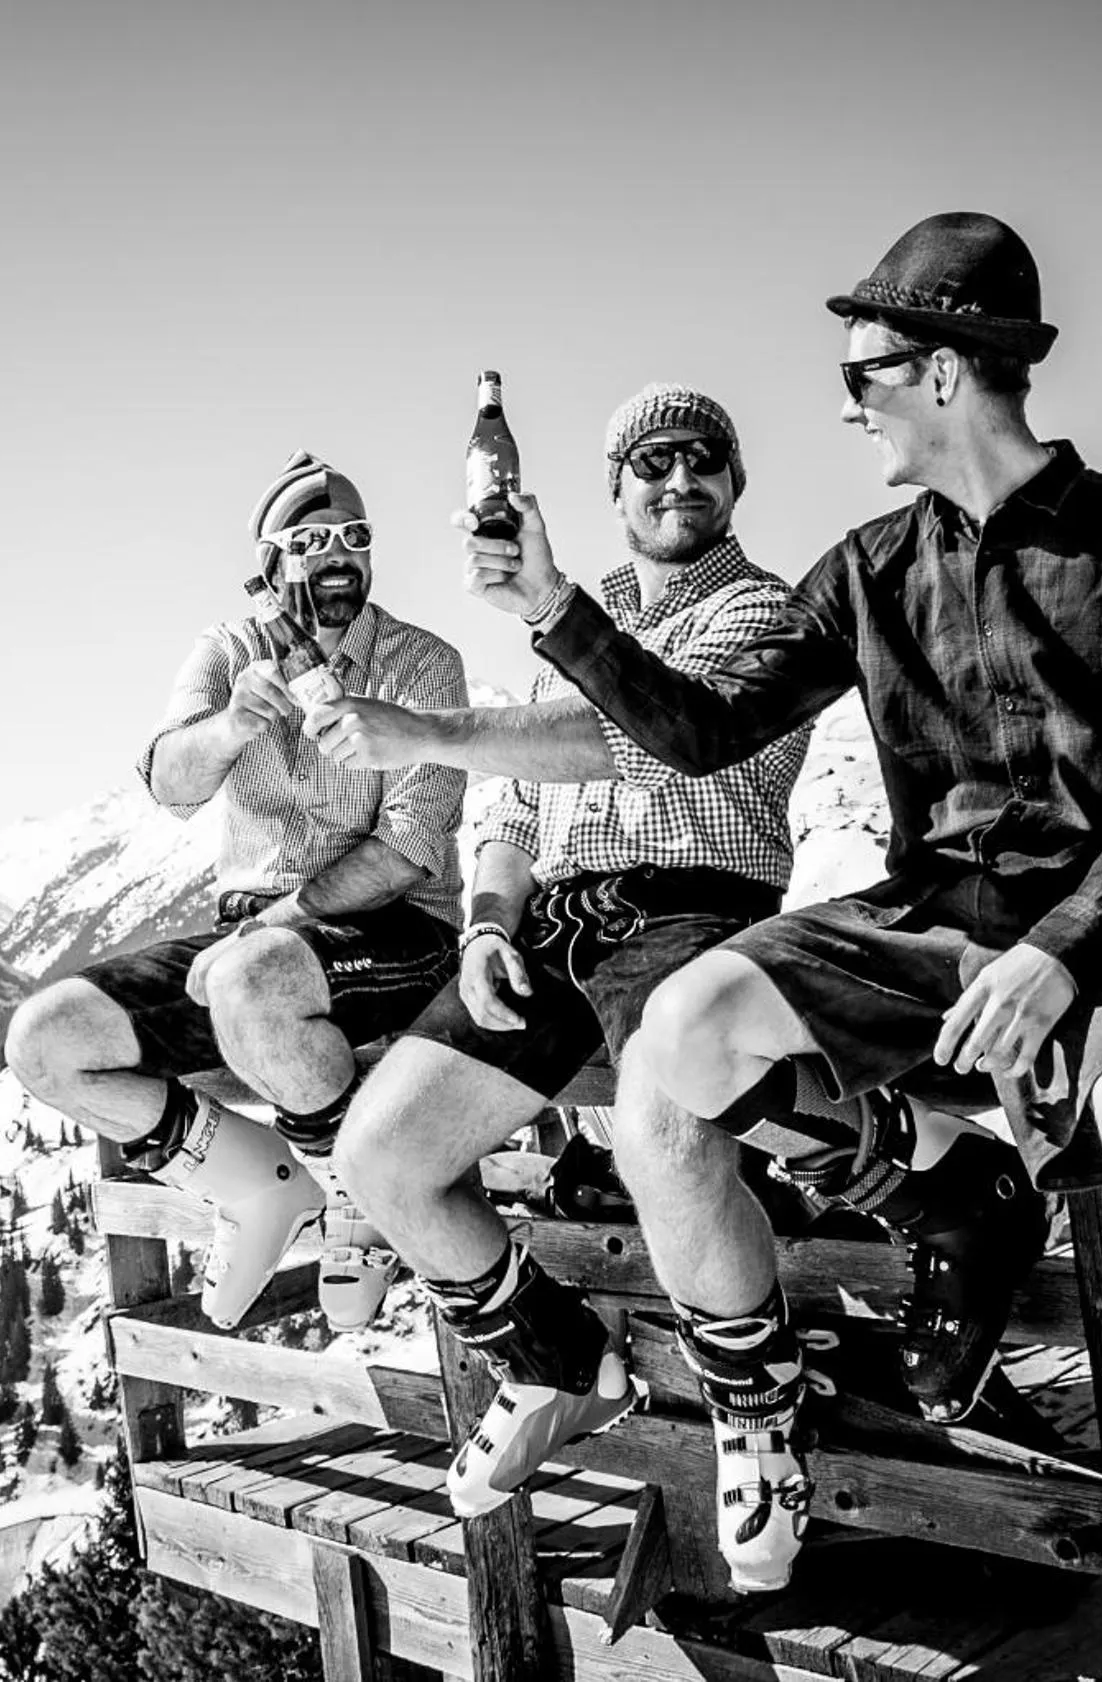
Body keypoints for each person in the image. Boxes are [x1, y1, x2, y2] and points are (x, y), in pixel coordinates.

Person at [476, 212, 1102, 1662]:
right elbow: (703, 736)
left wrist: (1058, 955)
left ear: (945, 371)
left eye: (865, 370)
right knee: (683, 1031)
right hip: (928, 921)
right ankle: (940, 1193)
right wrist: (547, 602)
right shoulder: (864, 566)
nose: (844, 404)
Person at [307, 386, 825, 1574]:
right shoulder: (578, 623)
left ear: (737, 479)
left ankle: (755, 1403)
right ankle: (553, 1356)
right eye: (650, 462)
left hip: (697, 908)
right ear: (615, 488)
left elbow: (626, 739)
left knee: (661, 1129)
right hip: (556, 923)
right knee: (380, 1152)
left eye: (703, 458)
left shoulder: (762, 611)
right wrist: (487, 922)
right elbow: (513, 809)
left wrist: (423, 730)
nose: (677, 479)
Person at [5, 451, 467, 1334]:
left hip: (395, 931)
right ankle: (253, 1182)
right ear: (269, 559)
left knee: (248, 978)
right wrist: (231, 723)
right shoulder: (227, 650)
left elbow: (408, 848)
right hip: (249, 942)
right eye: (311, 540)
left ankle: (355, 1200)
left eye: (355, 537)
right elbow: (169, 784)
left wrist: (268, 929)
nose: (338, 556)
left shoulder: (420, 665)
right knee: (44, 1039)